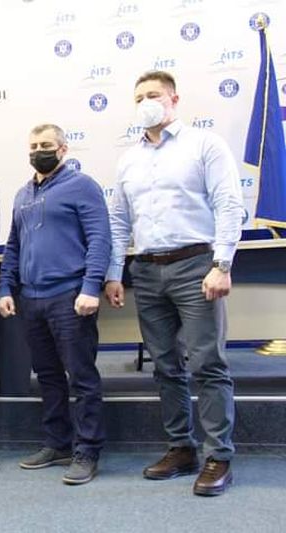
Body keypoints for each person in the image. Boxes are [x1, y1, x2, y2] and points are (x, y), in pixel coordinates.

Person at [104, 71, 244, 496]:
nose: (146, 102)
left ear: (174, 99)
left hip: (196, 265)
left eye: (154, 95)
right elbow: (118, 220)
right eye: (139, 97)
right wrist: (114, 272)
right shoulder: (129, 159)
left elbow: (228, 203)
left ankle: (219, 456)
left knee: (207, 363)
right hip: (147, 271)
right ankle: (181, 448)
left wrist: (222, 263)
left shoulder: (204, 144)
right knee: (165, 366)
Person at [0, 124, 111, 485]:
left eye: (45, 144)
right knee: (47, 376)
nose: (38, 151)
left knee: (82, 376)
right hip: (31, 299)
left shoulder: (83, 186)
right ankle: (57, 443)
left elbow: (100, 238)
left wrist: (91, 287)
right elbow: (13, 245)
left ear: (63, 149)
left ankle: (87, 449)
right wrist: (5, 288)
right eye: (33, 145)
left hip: (70, 296)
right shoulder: (22, 194)